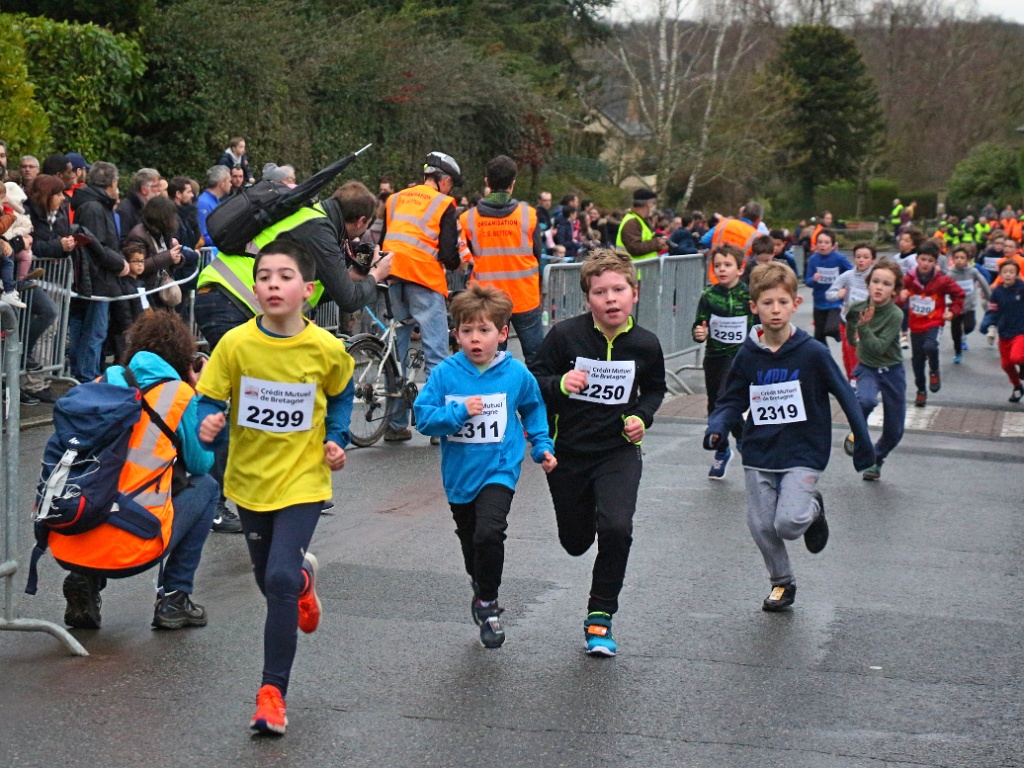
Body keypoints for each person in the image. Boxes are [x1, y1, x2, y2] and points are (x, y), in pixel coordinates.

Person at [196, 239, 354, 735]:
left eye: (284, 276)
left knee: (278, 580)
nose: (272, 285)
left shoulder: (325, 348)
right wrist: (206, 422)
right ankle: (303, 582)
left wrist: (337, 437)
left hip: (303, 480)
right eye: (264, 276)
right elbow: (208, 398)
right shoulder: (236, 344)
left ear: (308, 290)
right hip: (249, 480)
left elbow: (342, 392)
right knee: (271, 583)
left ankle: (271, 695)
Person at [194, 179, 389, 533]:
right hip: (229, 299)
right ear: (361, 221)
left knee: (274, 395)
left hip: (224, 296)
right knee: (248, 398)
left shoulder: (312, 219)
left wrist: (355, 274)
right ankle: (214, 502)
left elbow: (320, 291)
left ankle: (292, 489)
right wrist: (375, 275)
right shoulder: (319, 229)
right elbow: (349, 299)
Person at [704, 262, 875, 612]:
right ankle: (782, 582)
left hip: (803, 450)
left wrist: (863, 444)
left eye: (782, 302)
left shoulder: (813, 353)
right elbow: (731, 398)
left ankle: (813, 509)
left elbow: (846, 395)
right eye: (767, 303)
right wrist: (717, 427)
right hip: (759, 451)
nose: (775, 310)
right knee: (761, 525)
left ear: (795, 304)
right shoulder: (748, 354)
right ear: (754, 307)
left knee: (788, 523)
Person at [530, 249, 666, 656]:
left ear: (634, 293)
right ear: (587, 298)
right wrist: (560, 383)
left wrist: (641, 417)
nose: (610, 299)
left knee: (617, 528)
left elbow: (655, 389)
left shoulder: (646, 344)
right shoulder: (565, 336)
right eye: (600, 292)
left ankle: (600, 617)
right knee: (576, 542)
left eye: (618, 290)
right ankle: (588, 513)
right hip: (569, 452)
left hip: (617, 451)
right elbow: (534, 379)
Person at [413, 284, 556, 648]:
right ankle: (481, 587)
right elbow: (424, 419)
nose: (475, 338)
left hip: (500, 468)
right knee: (471, 540)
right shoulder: (446, 374)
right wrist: (458, 412)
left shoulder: (515, 373)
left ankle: (489, 604)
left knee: (489, 533)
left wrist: (542, 445)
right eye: (467, 330)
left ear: (502, 333)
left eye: (484, 330)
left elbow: (533, 407)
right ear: (455, 333)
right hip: (460, 475)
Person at [57, 310, 218, 631]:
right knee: (207, 486)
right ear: (184, 357)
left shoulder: (101, 385)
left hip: (70, 538)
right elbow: (201, 463)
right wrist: (199, 396)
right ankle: (174, 597)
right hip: (134, 547)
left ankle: (85, 578)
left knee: (102, 480)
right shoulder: (178, 394)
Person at [379, 151, 463, 442]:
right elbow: (449, 254)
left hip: (392, 275)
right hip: (424, 278)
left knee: (396, 351)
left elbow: (386, 239)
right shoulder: (444, 203)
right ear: (444, 180)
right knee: (435, 352)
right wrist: (455, 264)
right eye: (451, 184)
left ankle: (394, 424)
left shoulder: (395, 199)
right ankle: (437, 426)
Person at [459, 155, 544, 365]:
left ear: (487, 182)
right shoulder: (529, 215)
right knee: (537, 359)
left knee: (491, 360)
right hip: (525, 296)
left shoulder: (468, 219)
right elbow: (537, 254)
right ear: (513, 184)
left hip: (487, 299)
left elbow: (466, 255)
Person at [692, 244, 755, 480]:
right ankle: (725, 449)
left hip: (740, 359)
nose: (721, 269)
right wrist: (699, 334)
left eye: (727, 265)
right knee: (715, 406)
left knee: (724, 401)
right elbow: (699, 325)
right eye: (717, 265)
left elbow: (760, 325)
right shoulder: (709, 296)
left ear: (740, 269)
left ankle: (740, 442)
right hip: (715, 357)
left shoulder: (749, 295)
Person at [69, 162, 132, 382]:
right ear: (112, 183)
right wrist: (120, 263)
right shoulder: (94, 208)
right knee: (95, 330)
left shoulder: (94, 204)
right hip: (97, 278)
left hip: (97, 276)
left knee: (90, 328)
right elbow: (97, 244)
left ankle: (85, 373)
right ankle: (87, 376)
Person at [846, 259, 906, 480]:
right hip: (867, 368)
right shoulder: (857, 308)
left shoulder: (895, 314)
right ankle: (857, 432)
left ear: (894, 290)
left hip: (892, 370)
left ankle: (877, 459)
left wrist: (863, 328)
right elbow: (850, 321)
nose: (880, 287)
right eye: (876, 281)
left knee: (895, 430)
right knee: (865, 401)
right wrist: (852, 338)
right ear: (868, 283)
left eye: (887, 284)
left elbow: (880, 347)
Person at [902, 240, 964, 407]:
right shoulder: (909, 279)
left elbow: (959, 294)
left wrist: (952, 311)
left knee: (930, 346)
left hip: (934, 322)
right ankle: (921, 390)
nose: (926, 264)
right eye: (923, 259)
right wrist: (900, 297)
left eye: (930, 261)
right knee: (917, 361)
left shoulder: (942, 280)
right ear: (917, 259)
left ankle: (934, 370)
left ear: (935, 263)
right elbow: (897, 298)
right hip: (916, 325)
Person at [825, 242, 877, 382]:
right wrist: (839, 294)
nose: (861, 260)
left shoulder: (876, 277)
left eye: (865, 257)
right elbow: (829, 294)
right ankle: (851, 379)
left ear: (873, 260)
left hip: (866, 322)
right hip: (847, 321)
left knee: (857, 352)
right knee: (847, 354)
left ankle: (857, 380)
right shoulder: (848, 276)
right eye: (858, 257)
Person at [983, 259, 1024, 403]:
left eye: (1012, 272)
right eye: (1005, 272)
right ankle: (1017, 386)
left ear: (1017, 274)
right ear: (1000, 274)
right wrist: (987, 323)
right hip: (1004, 332)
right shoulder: (997, 292)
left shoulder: (1022, 289)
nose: (1008, 275)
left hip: (1020, 331)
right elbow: (993, 310)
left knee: (1017, 357)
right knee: (1006, 365)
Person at [804, 229, 851, 348]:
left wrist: (845, 285)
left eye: (826, 242)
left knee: (831, 329)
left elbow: (852, 273)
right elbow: (808, 281)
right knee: (818, 337)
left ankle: (842, 334)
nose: (822, 245)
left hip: (835, 302)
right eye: (820, 242)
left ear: (833, 246)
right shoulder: (813, 259)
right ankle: (825, 356)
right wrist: (814, 279)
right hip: (819, 302)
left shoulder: (840, 259)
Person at [946, 244, 991, 363]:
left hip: (969, 307)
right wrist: (946, 302)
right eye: (956, 257)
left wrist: (990, 298)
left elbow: (983, 283)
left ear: (968, 260)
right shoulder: (950, 274)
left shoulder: (973, 271)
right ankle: (958, 353)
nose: (959, 260)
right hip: (955, 309)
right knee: (955, 335)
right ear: (953, 259)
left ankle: (963, 333)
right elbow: (944, 289)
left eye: (962, 258)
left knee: (969, 327)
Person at [615, 189, 666, 261]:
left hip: (642, 267)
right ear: (649, 203)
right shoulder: (632, 222)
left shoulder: (641, 220)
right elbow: (634, 248)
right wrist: (657, 243)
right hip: (634, 267)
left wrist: (657, 241)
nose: (655, 208)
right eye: (654, 203)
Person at [116, 168, 163, 243]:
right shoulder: (125, 211)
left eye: (159, 186)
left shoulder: (152, 208)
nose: (160, 190)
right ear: (144, 190)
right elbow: (124, 242)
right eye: (156, 186)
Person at [196, 165, 232, 250]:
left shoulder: (216, 202)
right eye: (229, 181)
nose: (231, 184)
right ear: (221, 184)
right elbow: (203, 236)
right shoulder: (203, 203)